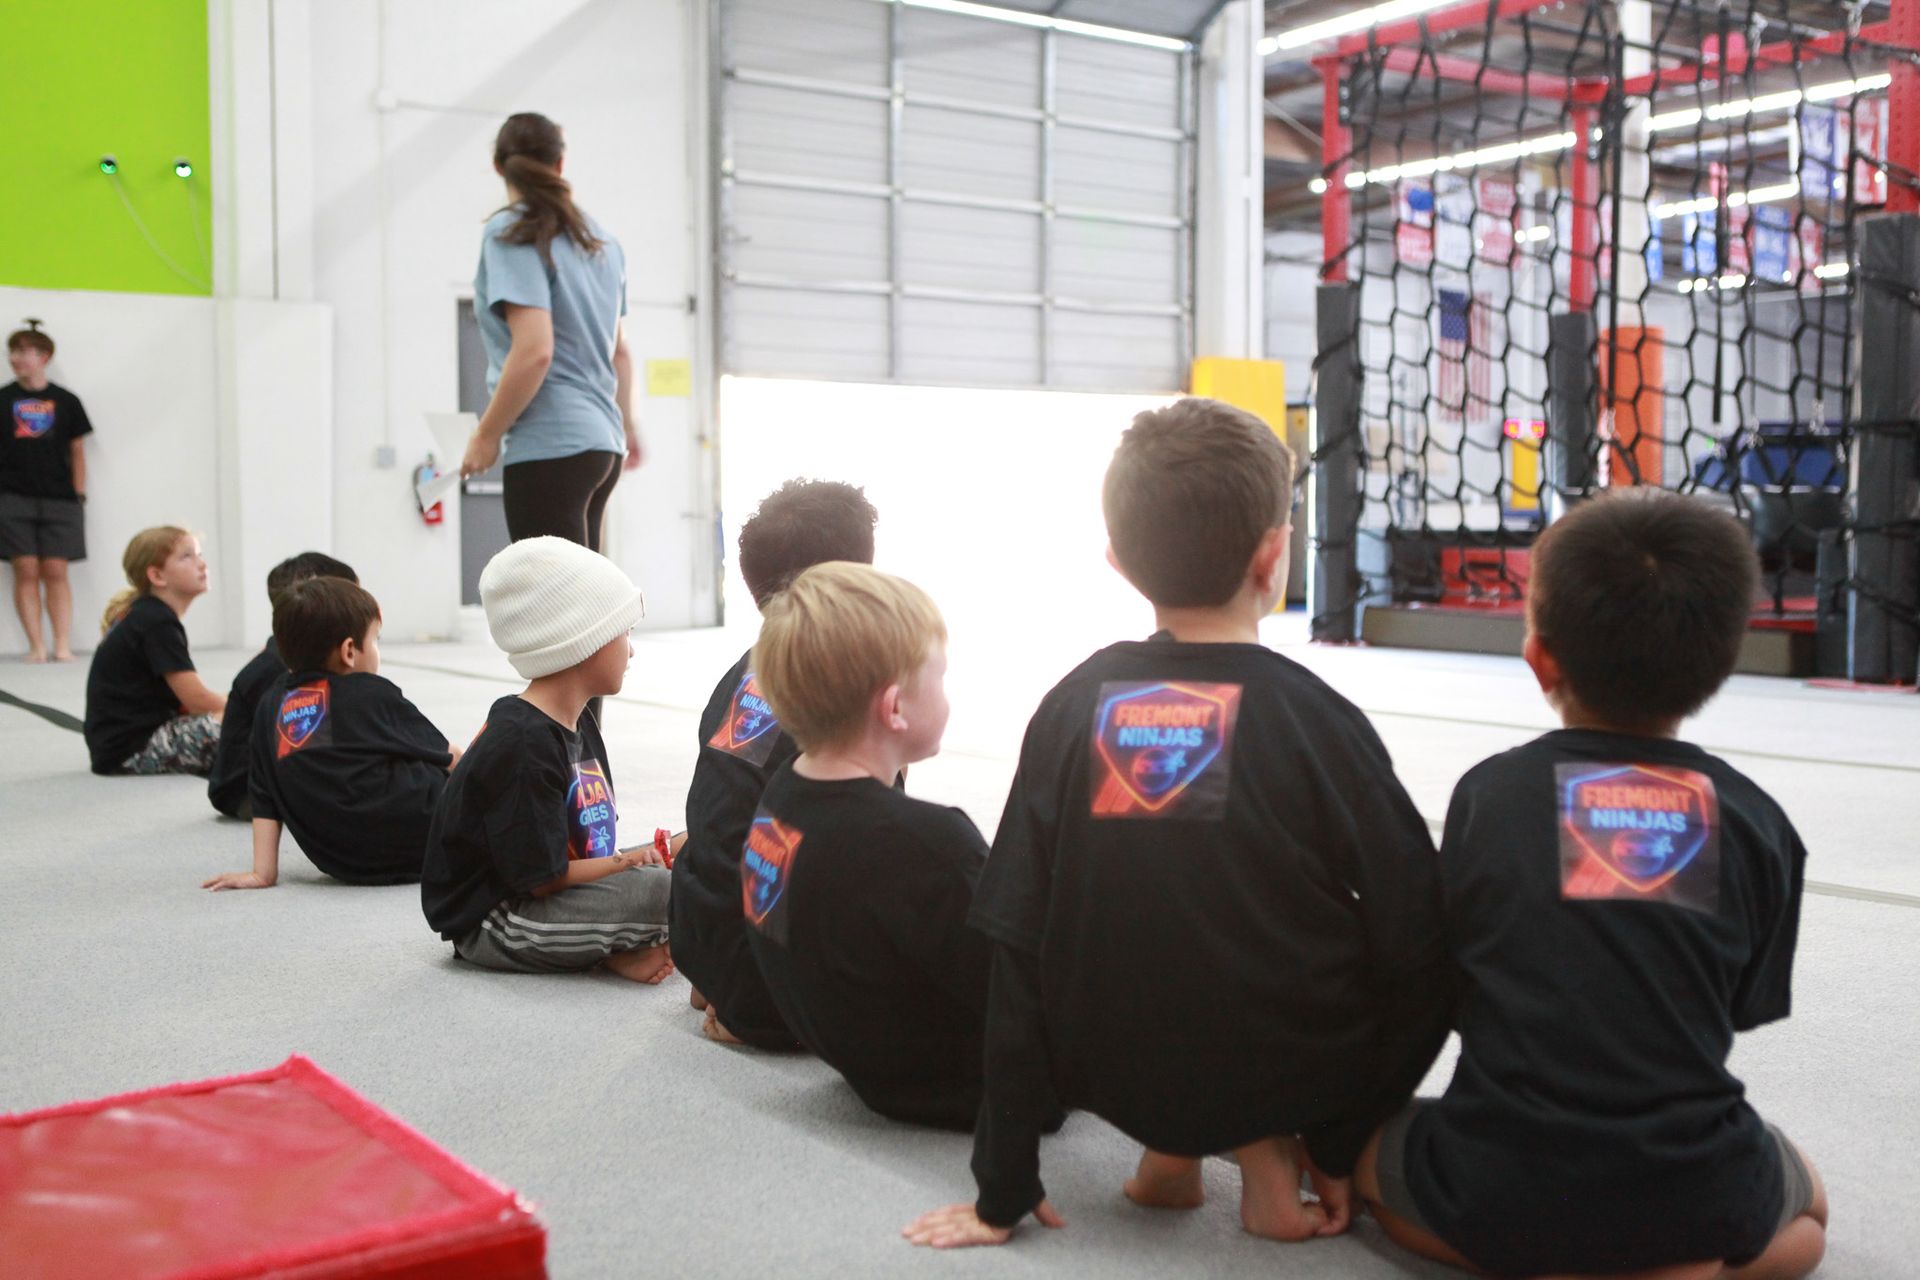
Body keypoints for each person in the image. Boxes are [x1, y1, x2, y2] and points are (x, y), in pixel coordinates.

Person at [905, 399, 1451, 1249]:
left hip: (1108, 1067)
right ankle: (1271, 1161)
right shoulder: (1316, 719)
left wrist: (1000, 1187)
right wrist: (1342, 1139)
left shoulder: (1071, 703)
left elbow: (1013, 941)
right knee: (1294, 919)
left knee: (1150, 899)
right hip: (1284, 1068)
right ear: (1276, 556)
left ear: (1119, 564)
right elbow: (1421, 936)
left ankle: (1169, 1159)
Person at [1354, 489, 1825, 1280]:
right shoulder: (1758, 821)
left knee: (1373, 1159)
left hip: (1499, 1178)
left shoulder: (1489, 795)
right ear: (1725, 659)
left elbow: (1456, 973)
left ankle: (1546, 1256)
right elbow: (1739, 1006)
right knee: (1808, 1211)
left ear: (1539, 658)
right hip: (1689, 1178)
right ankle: (1673, 1261)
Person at [743, 562, 1003, 1129]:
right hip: (970, 1084)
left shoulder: (780, 796)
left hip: (863, 1062)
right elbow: (1019, 994)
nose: (948, 693)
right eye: (939, 677)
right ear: (894, 708)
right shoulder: (929, 844)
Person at [672, 479, 879, 1049]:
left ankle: (722, 978)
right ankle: (754, 999)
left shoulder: (753, 673)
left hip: (702, 932)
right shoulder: (833, 689)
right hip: (758, 964)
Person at [419, 537, 672, 981]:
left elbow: (588, 844)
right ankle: (619, 944)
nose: (631, 650)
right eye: (625, 632)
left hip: (553, 890)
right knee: (671, 891)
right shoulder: (522, 744)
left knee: (700, 855)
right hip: (501, 920)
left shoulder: (577, 720)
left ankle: (617, 946)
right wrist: (628, 864)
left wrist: (654, 854)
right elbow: (542, 879)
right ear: (585, 640)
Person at [202, 577, 458, 891]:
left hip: (345, 862)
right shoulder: (369, 693)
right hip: (431, 840)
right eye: (375, 639)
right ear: (349, 650)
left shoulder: (271, 705)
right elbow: (451, 758)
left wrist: (262, 872)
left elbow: (263, 792)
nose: (377, 650)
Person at [459, 112, 641, 550]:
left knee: (553, 608)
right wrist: (629, 429)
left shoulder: (513, 230)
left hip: (550, 444)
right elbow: (620, 354)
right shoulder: (601, 242)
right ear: (560, 165)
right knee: (583, 604)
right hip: (603, 446)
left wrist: (485, 436)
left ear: (499, 167)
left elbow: (535, 350)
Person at [206, 552, 359, 819]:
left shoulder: (295, 656)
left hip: (270, 780)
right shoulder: (282, 671)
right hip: (245, 792)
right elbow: (307, 757)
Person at [83, 527, 226, 776]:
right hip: (133, 749)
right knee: (253, 722)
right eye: (187, 557)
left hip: (119, 744)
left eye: (199, 555)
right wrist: (248, 706)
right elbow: (197, 702)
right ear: (157, 575)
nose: (202, 564)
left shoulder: (146, 614)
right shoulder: (156, 622)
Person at [1, 323, 94, 663]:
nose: (16, 358)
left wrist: (78, 493)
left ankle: (62, 643)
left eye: (24, 351)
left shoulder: (66, 401)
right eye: (13, 352)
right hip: (13, 497)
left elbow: (78, 450)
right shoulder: (3, 399)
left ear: (44, 356)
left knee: (56, 570)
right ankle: (36, 645)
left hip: (60, 498)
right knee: (25, 569)